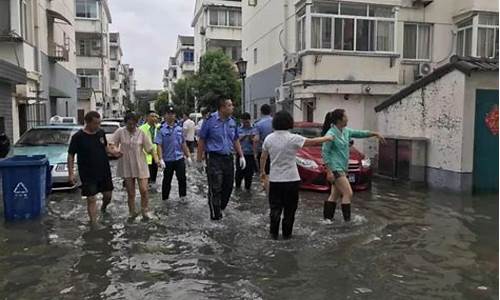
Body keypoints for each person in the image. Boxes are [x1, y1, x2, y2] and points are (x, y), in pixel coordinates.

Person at [260, 110, 333, 240]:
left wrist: (263, 173)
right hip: (291, 180)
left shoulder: (268, 138)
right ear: (289, 123)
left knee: (275, 208)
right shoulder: (293, 138)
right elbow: (314, 141)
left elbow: (263, 157)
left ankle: (273, 235)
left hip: (275, 180)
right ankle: (287, 236)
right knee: (290, 210)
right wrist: (328, 138)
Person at [321, 109, 385, 223]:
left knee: (335, 195)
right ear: (339, 120)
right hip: (336, 168)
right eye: (345, 116)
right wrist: (329, 171)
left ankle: (327, 220)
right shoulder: (330, 134)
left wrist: (375, 133)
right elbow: (325, 153)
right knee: (348, 193)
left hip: (343, 167)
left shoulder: (345, 131)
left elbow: (360, 133)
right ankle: (347, 221)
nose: (347, 118)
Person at [197, 98, 246, 221]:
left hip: (228, 158)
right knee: (215, 188)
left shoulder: (233, 122)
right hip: (214, 159)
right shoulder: (209, 121)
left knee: (228, 186)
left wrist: (241, 156)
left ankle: (221, 208)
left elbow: (235, 139)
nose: (232, 107)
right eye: (229, 105)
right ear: (222, 108)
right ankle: (215, 217)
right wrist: (199, 160)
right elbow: (202, 140)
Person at [68, 111, 120, 226]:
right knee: (91, 199)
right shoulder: (78, 137)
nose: (98, 126)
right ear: (87, 122)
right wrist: (71, 174)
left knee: (108, 195)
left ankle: (103, 207)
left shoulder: (100, 133)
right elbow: (71, 155)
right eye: (95, 123)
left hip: (103, 170)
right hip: (87, 172)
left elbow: (105, 147)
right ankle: (94, 224)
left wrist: (114, 153)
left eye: (99, 123)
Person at [110, 112, 160, 221]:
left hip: (140, 164)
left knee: (144, 189)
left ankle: (145, 211)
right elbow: (112, 144)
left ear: (136, 123)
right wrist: (115, 151)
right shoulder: (120, 132)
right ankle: (131, 212)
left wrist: (157, 160)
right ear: (125, 123)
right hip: (126, 164)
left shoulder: (141, 133)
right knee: (131, 192)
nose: (131, 126)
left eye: (133, 124)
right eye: (129, 124)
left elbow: (150, 149)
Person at [156, 106, 192, 201]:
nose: (171, 116)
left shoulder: (179, 129)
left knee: (182, 179)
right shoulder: (161, 129)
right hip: (168, 160)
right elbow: (159, 145)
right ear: (165, 116)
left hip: (179, 158)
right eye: (168, 114)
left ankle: (183, 198)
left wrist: (188, 156)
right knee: (167, 181)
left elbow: (183, 143)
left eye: (172, 114)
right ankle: (165, 199)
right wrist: (160, 159)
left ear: (175, 115)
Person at [235, 113, 257, 190]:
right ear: (241, 121)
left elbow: (256, 141)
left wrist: (252, 139)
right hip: (240, 155)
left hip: (250, 155)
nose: (246, 124)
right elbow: (235, 141)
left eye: (247, 122)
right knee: (238, 174)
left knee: (249, 175)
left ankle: (248, 190)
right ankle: (237, 189)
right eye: (244, 122)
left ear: (249, 120)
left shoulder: (254, 128)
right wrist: (242, 137)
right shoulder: (238, 129)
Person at [139, 111, 160, 187]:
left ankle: (152, 193)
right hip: (145, 157)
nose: (154, 118)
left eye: (155, 116)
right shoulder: (141, 129)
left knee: (153, 179)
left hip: (156, 156)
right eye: (152, 116)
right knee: (146, 178)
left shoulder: (159, 128)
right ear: (147, 117)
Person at [254, 104, 273, 174]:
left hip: (262, 151)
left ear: (261, 112)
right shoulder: (275, 122)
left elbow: (256, 139)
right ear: (270, 111)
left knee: (264, 172)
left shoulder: (258, 124)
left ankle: (265, 184)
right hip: (274, 151)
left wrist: (255, 152)